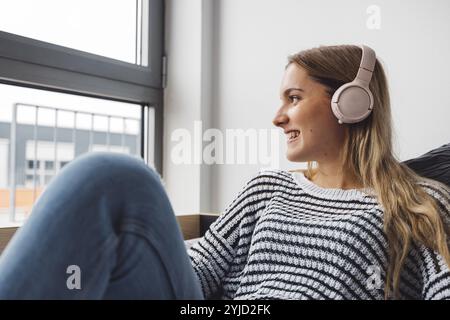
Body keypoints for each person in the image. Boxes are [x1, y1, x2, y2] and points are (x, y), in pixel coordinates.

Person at [0, 44, 449, 300]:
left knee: (113, 175)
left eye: (293, 98)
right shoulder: (266, 188)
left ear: (350, 103)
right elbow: (202, 270)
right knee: (109, 179)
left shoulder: (419, 203)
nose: (278, 117)